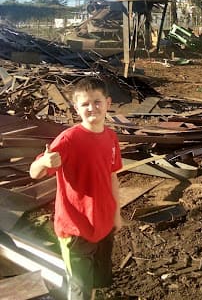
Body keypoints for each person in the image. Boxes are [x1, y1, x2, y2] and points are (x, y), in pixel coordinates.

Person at [29, 76, 123, 300]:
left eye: (97, 102)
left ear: (108, 103)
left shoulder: (111, 137)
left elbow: (112, 177)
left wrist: (116, 214)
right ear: (76, 108)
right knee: (79, 288)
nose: (92, 108)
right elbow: (34, 172)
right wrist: (43, 162)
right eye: (85, 104)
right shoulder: (69, 140)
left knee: (98, 281)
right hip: (75, 229)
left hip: (103, 223)